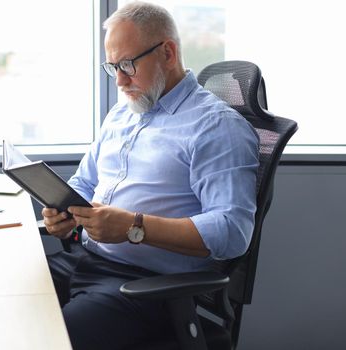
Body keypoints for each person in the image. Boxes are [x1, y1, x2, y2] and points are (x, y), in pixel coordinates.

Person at [42, 2, 259, 349]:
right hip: (84, 260)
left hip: (143, 286)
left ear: (168, 53)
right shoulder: (122, 113)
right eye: (112, 66)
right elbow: (83, 182)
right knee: (0, 299)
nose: (119, 80)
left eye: (127, 64)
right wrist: (62, 212)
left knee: (46, 340)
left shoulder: (216, 127)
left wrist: (133, 227)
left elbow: (232, 232)